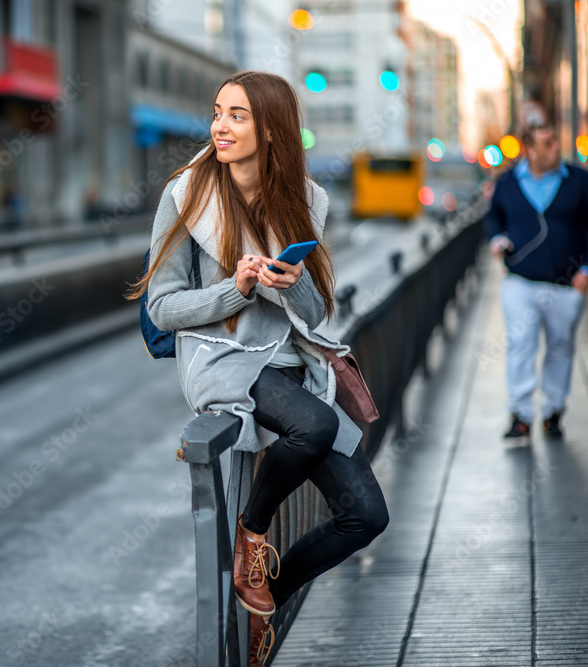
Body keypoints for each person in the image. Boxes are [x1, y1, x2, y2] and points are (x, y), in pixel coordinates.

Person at [129, 71, 389, 665]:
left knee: (366, 515)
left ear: (271, 130)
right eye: (218, 112)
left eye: (237, 115)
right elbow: (162, 307)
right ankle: (253, 535)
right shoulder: (187, 194)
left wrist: (292, 285)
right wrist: (236, 288)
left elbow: (320, 309)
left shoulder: (305, 199)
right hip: (222, 358)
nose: (220, 125)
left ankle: (268, 593)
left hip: (293, 361)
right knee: (316, 427)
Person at [485, 123, 588, 445]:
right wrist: (496, 239)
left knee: (560, 347)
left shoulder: (579, 181)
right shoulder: (507, 183)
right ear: (530, 150)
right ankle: (521, 416)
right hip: (520, 280)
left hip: (567, 283)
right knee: (521, 343)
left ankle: (553, 412)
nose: (555, 147)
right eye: (547, 143)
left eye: (555, 141)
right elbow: (493, 218)